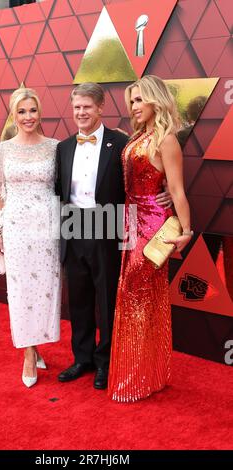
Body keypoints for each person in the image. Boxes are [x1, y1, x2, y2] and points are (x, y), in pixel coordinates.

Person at [55, 82, 172, 390]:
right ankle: (82, 358)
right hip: (72, 224)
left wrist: (166, 192)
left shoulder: (121, 142)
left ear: (101, 107)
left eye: (87, 107)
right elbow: (59, 191)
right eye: (77, 107)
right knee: (78, 299)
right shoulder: (64, 147)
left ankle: (105, 362)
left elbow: (143, 176)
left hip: (108, 225)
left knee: (107, 299)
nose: (81, 112)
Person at [108, 75, 193, 402]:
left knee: (136, 298)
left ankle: (136, 378)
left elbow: (176, 191)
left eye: (140, 99)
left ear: (156, 100)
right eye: (132, 101)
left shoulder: (166, 139)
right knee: (144, 300)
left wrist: (186, 232)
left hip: (153, 231)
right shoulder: (139, 136)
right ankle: (150, 374)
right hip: (132, 224)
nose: (134, 106)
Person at [0, 88, 61, 387]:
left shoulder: (55, 147)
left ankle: (36, 344)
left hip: (46, 230)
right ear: (14, 115)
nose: (28, 117)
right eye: (22, 111)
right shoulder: (2, 149)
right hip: (15, 228)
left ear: (39, 113)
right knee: (20, 292)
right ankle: (28, 353)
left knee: (44, 290)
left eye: (32, 111)